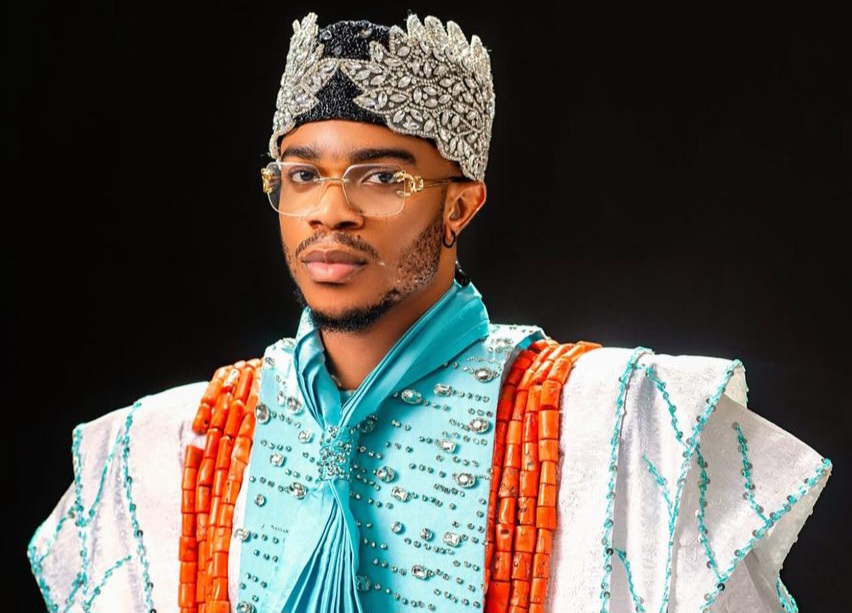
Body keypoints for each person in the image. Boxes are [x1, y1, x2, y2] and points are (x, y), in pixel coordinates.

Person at [27, 11, 832, 613]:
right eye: (302, 176)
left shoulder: (617, 424)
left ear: (460, 205)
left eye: (382, 178)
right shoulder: (166, 446)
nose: (330, 211)